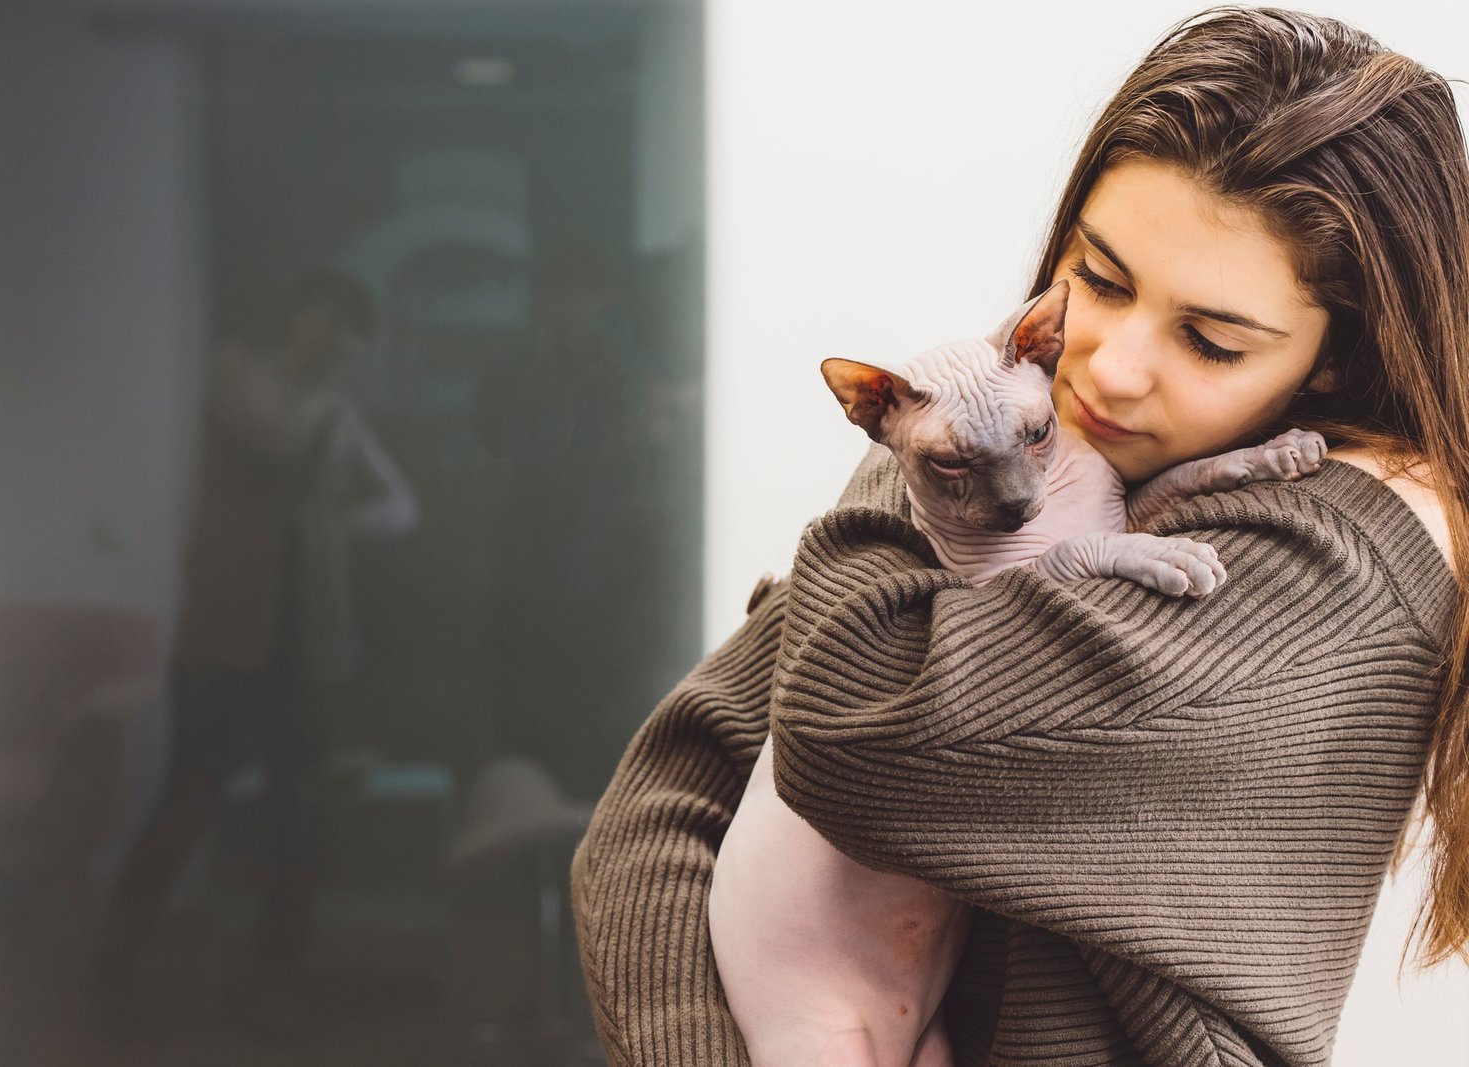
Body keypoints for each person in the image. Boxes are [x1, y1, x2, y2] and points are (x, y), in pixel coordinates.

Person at [569, 7, 1469, 1065]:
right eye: (1099, 277)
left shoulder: (1328, 556)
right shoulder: (1042, 446)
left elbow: (849, 722)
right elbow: (654, 809)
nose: (1110, 368)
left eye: (1211, 340)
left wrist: (902, 459)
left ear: (1333, 358)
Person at [91, 268, 420, 1032]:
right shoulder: (239, 371)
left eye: (352, 333)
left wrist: (345, 526)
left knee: (297, 813)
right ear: (300, 317)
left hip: (307, 643)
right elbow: (278, 444)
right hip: (225, 634)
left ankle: (280, 984)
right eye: (332, 323)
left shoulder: (334, 409)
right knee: (192, 793)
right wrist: (335, 410)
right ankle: (111, 961)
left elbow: (403, 505)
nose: (340, 342)